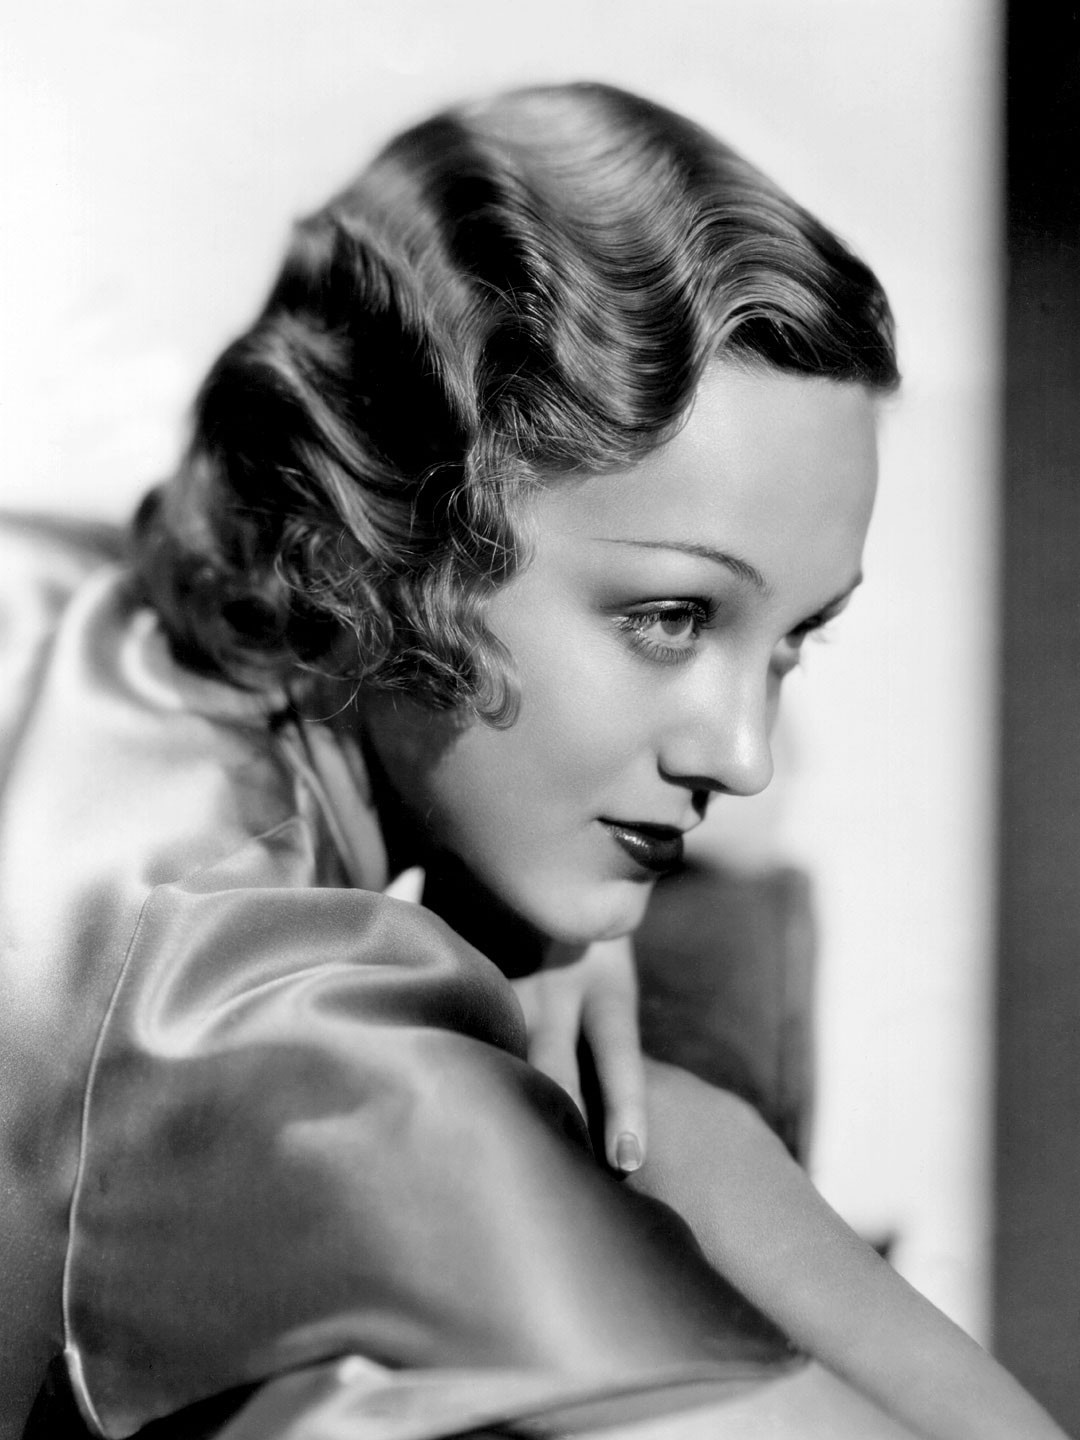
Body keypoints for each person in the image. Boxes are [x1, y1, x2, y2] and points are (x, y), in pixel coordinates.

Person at [0, 82, 1066, 1440]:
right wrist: (691, 1135)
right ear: (376, 535)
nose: (742, 756)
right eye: (670, 617)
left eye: (794, 640)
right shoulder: (266, 1016)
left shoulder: (80, 604)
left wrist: (563, 911)